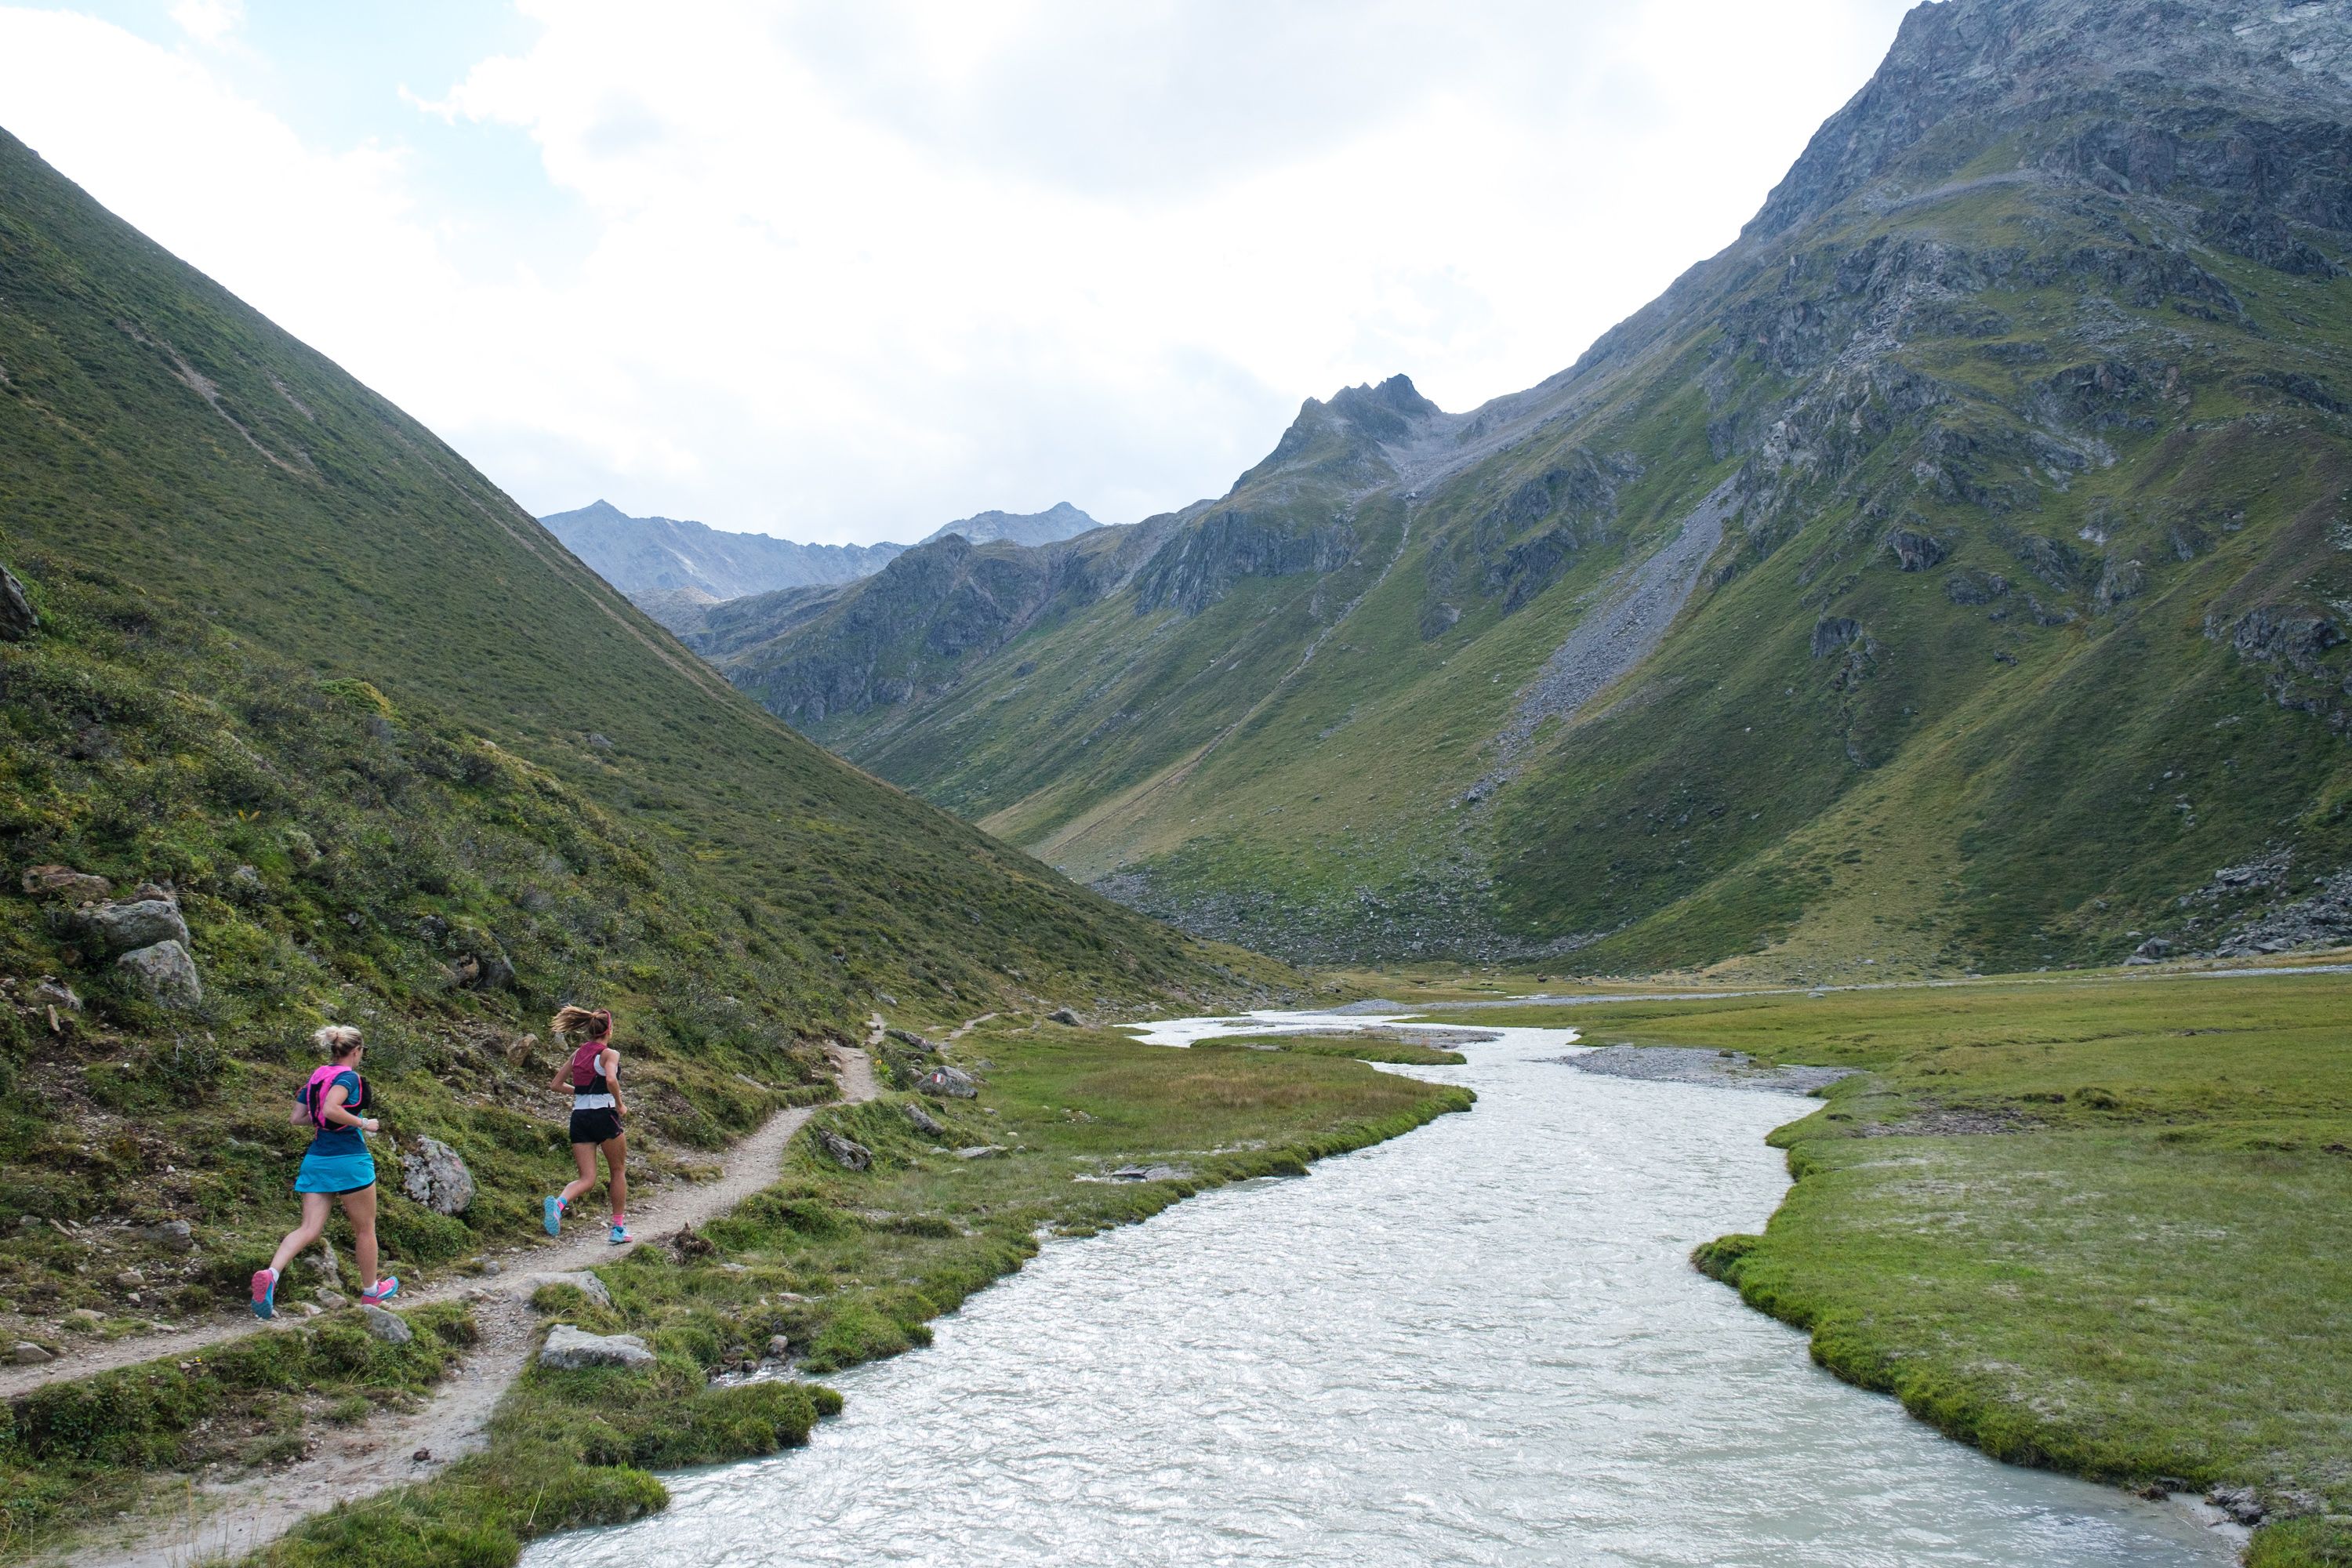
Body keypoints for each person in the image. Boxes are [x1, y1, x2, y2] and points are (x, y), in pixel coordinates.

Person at [252, 1025, 397, 1319]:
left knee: (308, 1229)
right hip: (350, 1160)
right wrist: (362, 1123)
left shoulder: (318, 1076)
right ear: (356, 1051)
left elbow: (298, 1118)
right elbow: (332, 1109)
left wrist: (329, 1119)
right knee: (365, 1229)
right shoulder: (349, 1077)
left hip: (317, 1159)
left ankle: (271, 1273)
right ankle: (372, 1291)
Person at [544, 1005, 633, 1244]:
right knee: (617, 1170)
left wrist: (582, 1093)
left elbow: (555, 1084)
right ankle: (617, 1230)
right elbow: (611, 1079)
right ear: (609, 1030)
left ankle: (560, 1203)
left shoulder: (578, 1054)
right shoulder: (609, 1054)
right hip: (604, 1115)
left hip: (579, 1117)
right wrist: (620, 1104)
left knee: (587, 1178)